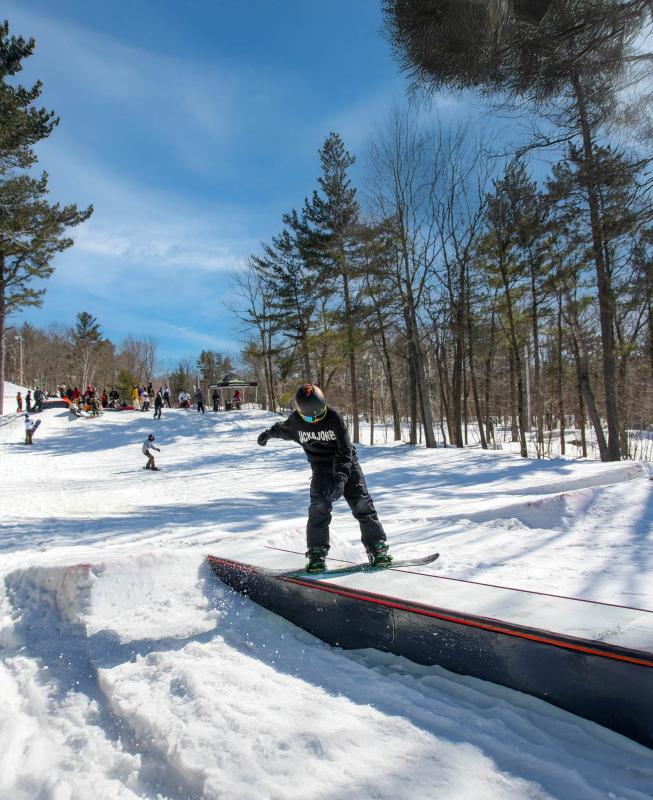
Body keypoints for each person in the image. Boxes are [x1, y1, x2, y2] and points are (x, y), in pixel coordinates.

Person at [256, 383, 392, 573]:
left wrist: (341, 479)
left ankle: (377, 548)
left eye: (319, 416)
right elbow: (281, 429)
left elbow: (345, 451)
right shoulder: (295, 422)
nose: (314, 421)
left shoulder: (334, 418)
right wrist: (266, 435)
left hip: (346, 464)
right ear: (300, 413)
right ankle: (317, 553)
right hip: (320, 468)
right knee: (319, 507)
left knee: (362, 503)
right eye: (309, 418)